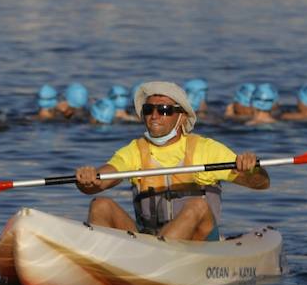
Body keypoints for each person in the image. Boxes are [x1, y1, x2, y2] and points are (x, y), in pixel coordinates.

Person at [75, 80, 267, 242]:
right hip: (148, 242)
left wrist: (250, 170)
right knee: (100, 204)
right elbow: (100, 181)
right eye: (149, 109)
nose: (154, 115)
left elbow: (262, 183)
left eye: (164, 109)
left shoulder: (206, 149)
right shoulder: (135, 150)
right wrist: (90, 179)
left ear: (181, 117)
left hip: (200, 243)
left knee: (197, 205)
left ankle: (153, 261)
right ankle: (102, 266)